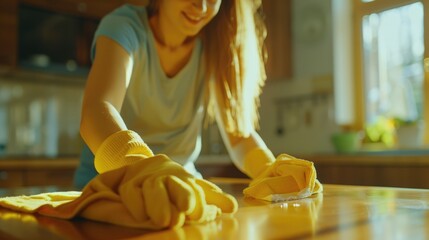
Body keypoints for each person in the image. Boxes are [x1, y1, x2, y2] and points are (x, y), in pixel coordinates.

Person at [74, 0, 321, 206]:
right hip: (109, 187)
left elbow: (239, 135)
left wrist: (269, 169)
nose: (201, 6)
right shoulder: (123, 27)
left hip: (185, 190)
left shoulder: (215, 42)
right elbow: (97, 109)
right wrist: (143, 171)